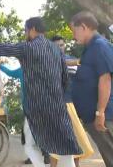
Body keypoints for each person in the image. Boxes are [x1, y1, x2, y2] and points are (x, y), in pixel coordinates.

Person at [0, 17, 81, 167]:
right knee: (65, 147)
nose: (25, 33)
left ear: (32, 29)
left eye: (26, 30)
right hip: (58, 107)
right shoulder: (55, 49)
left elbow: (3, 48)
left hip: (36, 108)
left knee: (29, 144)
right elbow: (65, 78)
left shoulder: (27, 48)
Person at [69, 11, 113, 167]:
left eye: (74, 31)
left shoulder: (99, 46)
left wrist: (100, 112)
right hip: (95, 116)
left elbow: (105, 79)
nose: (74, 36)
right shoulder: (90, 49)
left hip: (105, 116)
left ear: (83, 27)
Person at [50, 35, 94, 167]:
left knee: (76, 139)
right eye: (56, 46)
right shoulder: (48, 61)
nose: (60, 48)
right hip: (56, 106)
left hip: (71, 105)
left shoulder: (72, 60)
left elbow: (82, 81)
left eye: (62, 45)